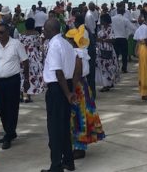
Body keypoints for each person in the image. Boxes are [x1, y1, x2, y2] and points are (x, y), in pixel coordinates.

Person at [41, 17, 76, 172]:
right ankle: (68, 161)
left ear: (50, 30)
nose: (43, 31)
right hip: (66, 85)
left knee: (54, 128)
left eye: (44, 29)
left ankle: (56, 166)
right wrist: (70, 90)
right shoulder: (66, 43)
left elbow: (58, 72)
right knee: (64, 126)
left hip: (58, 88)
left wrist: (67, 93)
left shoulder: (54, 45)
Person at [65, 25, 105, 160]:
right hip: (83, 85)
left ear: (72, 41)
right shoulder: (82, 51)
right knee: (82, 114)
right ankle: (79, 145)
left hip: (77, 86)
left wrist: (71, 90)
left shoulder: (76, 53)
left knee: (78, 116)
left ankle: (79, 146)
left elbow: (77, 72)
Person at [0, 22, 29, 150]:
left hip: (13, 80)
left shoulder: (16, 44)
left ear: (8, 32)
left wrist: (27, 80)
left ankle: (8, 135)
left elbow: (25, 61)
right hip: (0, 81)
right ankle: (10, 132)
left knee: (12, 108)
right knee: (1, 107)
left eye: (1, 32)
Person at [19, 18, 45, 103]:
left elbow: (20, 44)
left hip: (23, 54)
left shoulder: (21, 34)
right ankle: (28, 96)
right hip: (33, 55)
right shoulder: (36, 34)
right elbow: (39, 44)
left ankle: (22, 95)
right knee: (32, 75)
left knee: (23, 74)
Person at [133, 11, 147, 101]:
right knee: (145, 70)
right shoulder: (144, 28)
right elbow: (146, 41)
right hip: (146, 50)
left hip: (144, 49)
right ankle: (145, 93)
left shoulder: (145, 27)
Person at [95, 13, 119, 92]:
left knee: (108, 68)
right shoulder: (102, 29)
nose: (101, 21)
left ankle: (107, 85)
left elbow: (113, 40)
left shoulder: (110, 29)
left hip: (108, 51)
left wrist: (102, 40)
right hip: (102, 51)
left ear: (105, 20)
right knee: (104, 68)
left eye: (102, 20)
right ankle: (108, 83)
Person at [111, 3, 133, 73]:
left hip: (115, 38)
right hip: (123, 38)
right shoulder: (125, 19)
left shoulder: (112, 19)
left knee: (116, 55)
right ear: (123, 12)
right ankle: (124, 68)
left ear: (117, 11)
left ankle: (116, 68)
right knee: (124, 55)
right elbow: (132, 27)